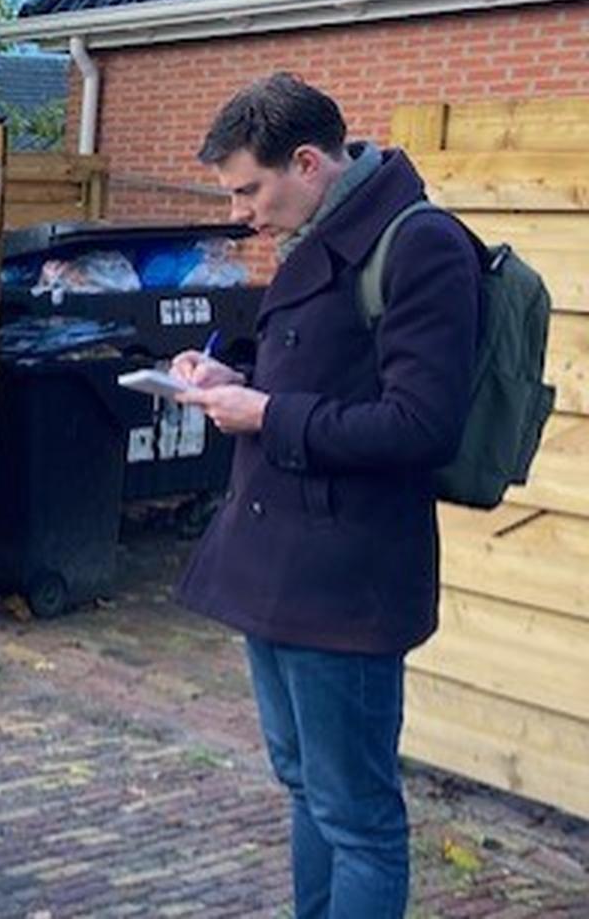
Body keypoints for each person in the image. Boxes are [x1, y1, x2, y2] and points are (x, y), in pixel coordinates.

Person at [172, 72, 480, 919]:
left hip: (347, 582)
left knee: (360, 817)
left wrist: (267, 413)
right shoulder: (320, 228)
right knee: (305, 786)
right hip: (277, 571)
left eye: (249, 189)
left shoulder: (421, 246)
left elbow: (421, 425)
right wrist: (234, 376)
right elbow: (320, 365)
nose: (241, 211)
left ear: (306, 162)